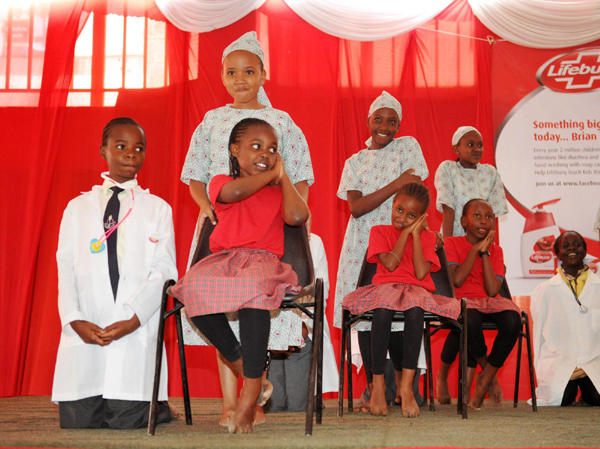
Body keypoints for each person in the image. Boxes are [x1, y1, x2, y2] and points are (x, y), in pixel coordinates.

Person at [179, 31, 314, 426]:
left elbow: (299, 180)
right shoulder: (212, 120)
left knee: (251, 298)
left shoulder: (281, 122)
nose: (241, 79)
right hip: (222, 232)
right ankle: (230, 400)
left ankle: (251, 400)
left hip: (267, 235)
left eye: (250, 71)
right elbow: (195, 174)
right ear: (222, 76)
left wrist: (285, 188)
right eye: (232, 72)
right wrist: (207, 206)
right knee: (213, 300)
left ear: (263, 74)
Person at [52, 117, 177, 429]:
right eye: (121, 147)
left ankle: (157, 407)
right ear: (103, 151)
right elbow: (64, 265)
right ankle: (150, 405)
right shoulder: (77, 208)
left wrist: (135, 318)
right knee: (79, 423)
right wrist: (73, 318)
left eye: (139, 148)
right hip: (86, 327)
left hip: (133, 327)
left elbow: (164, 269)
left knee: (126, 420)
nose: (131, 154)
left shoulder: (157, 208)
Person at [333, 91, 429, 408]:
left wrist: (404, 185)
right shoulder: (354, 162)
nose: (384, 126)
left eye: (391, 121)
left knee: (402, 308)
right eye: (378, 119)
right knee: (366, 314)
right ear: (368, 121)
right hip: (362, 243)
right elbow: (357, 208)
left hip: (401, 237)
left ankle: (404, 385)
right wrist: (396, 182)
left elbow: (417, 191)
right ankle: (371, 389)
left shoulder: (409, 147)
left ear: (399, 124)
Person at [342, 183, 460, 418]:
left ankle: (406, 386)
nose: (403, 218)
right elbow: (390, 264)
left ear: (422, 217)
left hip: (416, 289)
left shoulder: (427, 238)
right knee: (382, 311)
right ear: (393, 204)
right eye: (399, 210)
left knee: (416, 311)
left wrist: (417, 235)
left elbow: (419, 274)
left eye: (412, 216)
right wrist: (406, 232)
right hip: (385, 288)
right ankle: (377, 385)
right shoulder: (379, 231)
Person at [434, 126, 509, 404]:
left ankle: (477, 377)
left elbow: (492, 215)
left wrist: (488, 250)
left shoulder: (490, 172)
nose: (477, 149)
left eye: (480, 145)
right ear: (456, 148)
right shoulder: (447, 169)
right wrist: (452, 247)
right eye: (470, 144)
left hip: (482, 248)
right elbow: (449, 208)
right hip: (455, 246)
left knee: (473, 315)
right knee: (463, 314)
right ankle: (447, 375)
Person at [443, 199, 521, 410]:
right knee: (470, 319)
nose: (484, 221)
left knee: (514, 321)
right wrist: (474, 250)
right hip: (462, 302)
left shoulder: (496, 251)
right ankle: (489, 377)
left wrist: (485, 252)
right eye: (477, 216)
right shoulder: (451, 243)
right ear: (463, 221)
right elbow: (457, 280)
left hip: (489, 302)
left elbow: (493, 290)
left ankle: (484, 377)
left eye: (489, 217)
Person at [264, 233, 339, 412]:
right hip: (268, 336)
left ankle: (308, 397)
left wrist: (299, 319)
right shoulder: (264, 239)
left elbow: (322, 293)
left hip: (302, 331)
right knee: (274, 407)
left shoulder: (315, 242)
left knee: (297, 408)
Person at [530, 231, 600, 406]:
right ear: (557, 253)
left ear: (585, 251)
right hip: (560, 360)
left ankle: (586, 392)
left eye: (577, 245)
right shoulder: (544, 290)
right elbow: (538, 335)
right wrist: (540, 368)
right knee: (561, 398)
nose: (571, 249)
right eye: (565, 246)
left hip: (593, 359)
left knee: (596, 398)